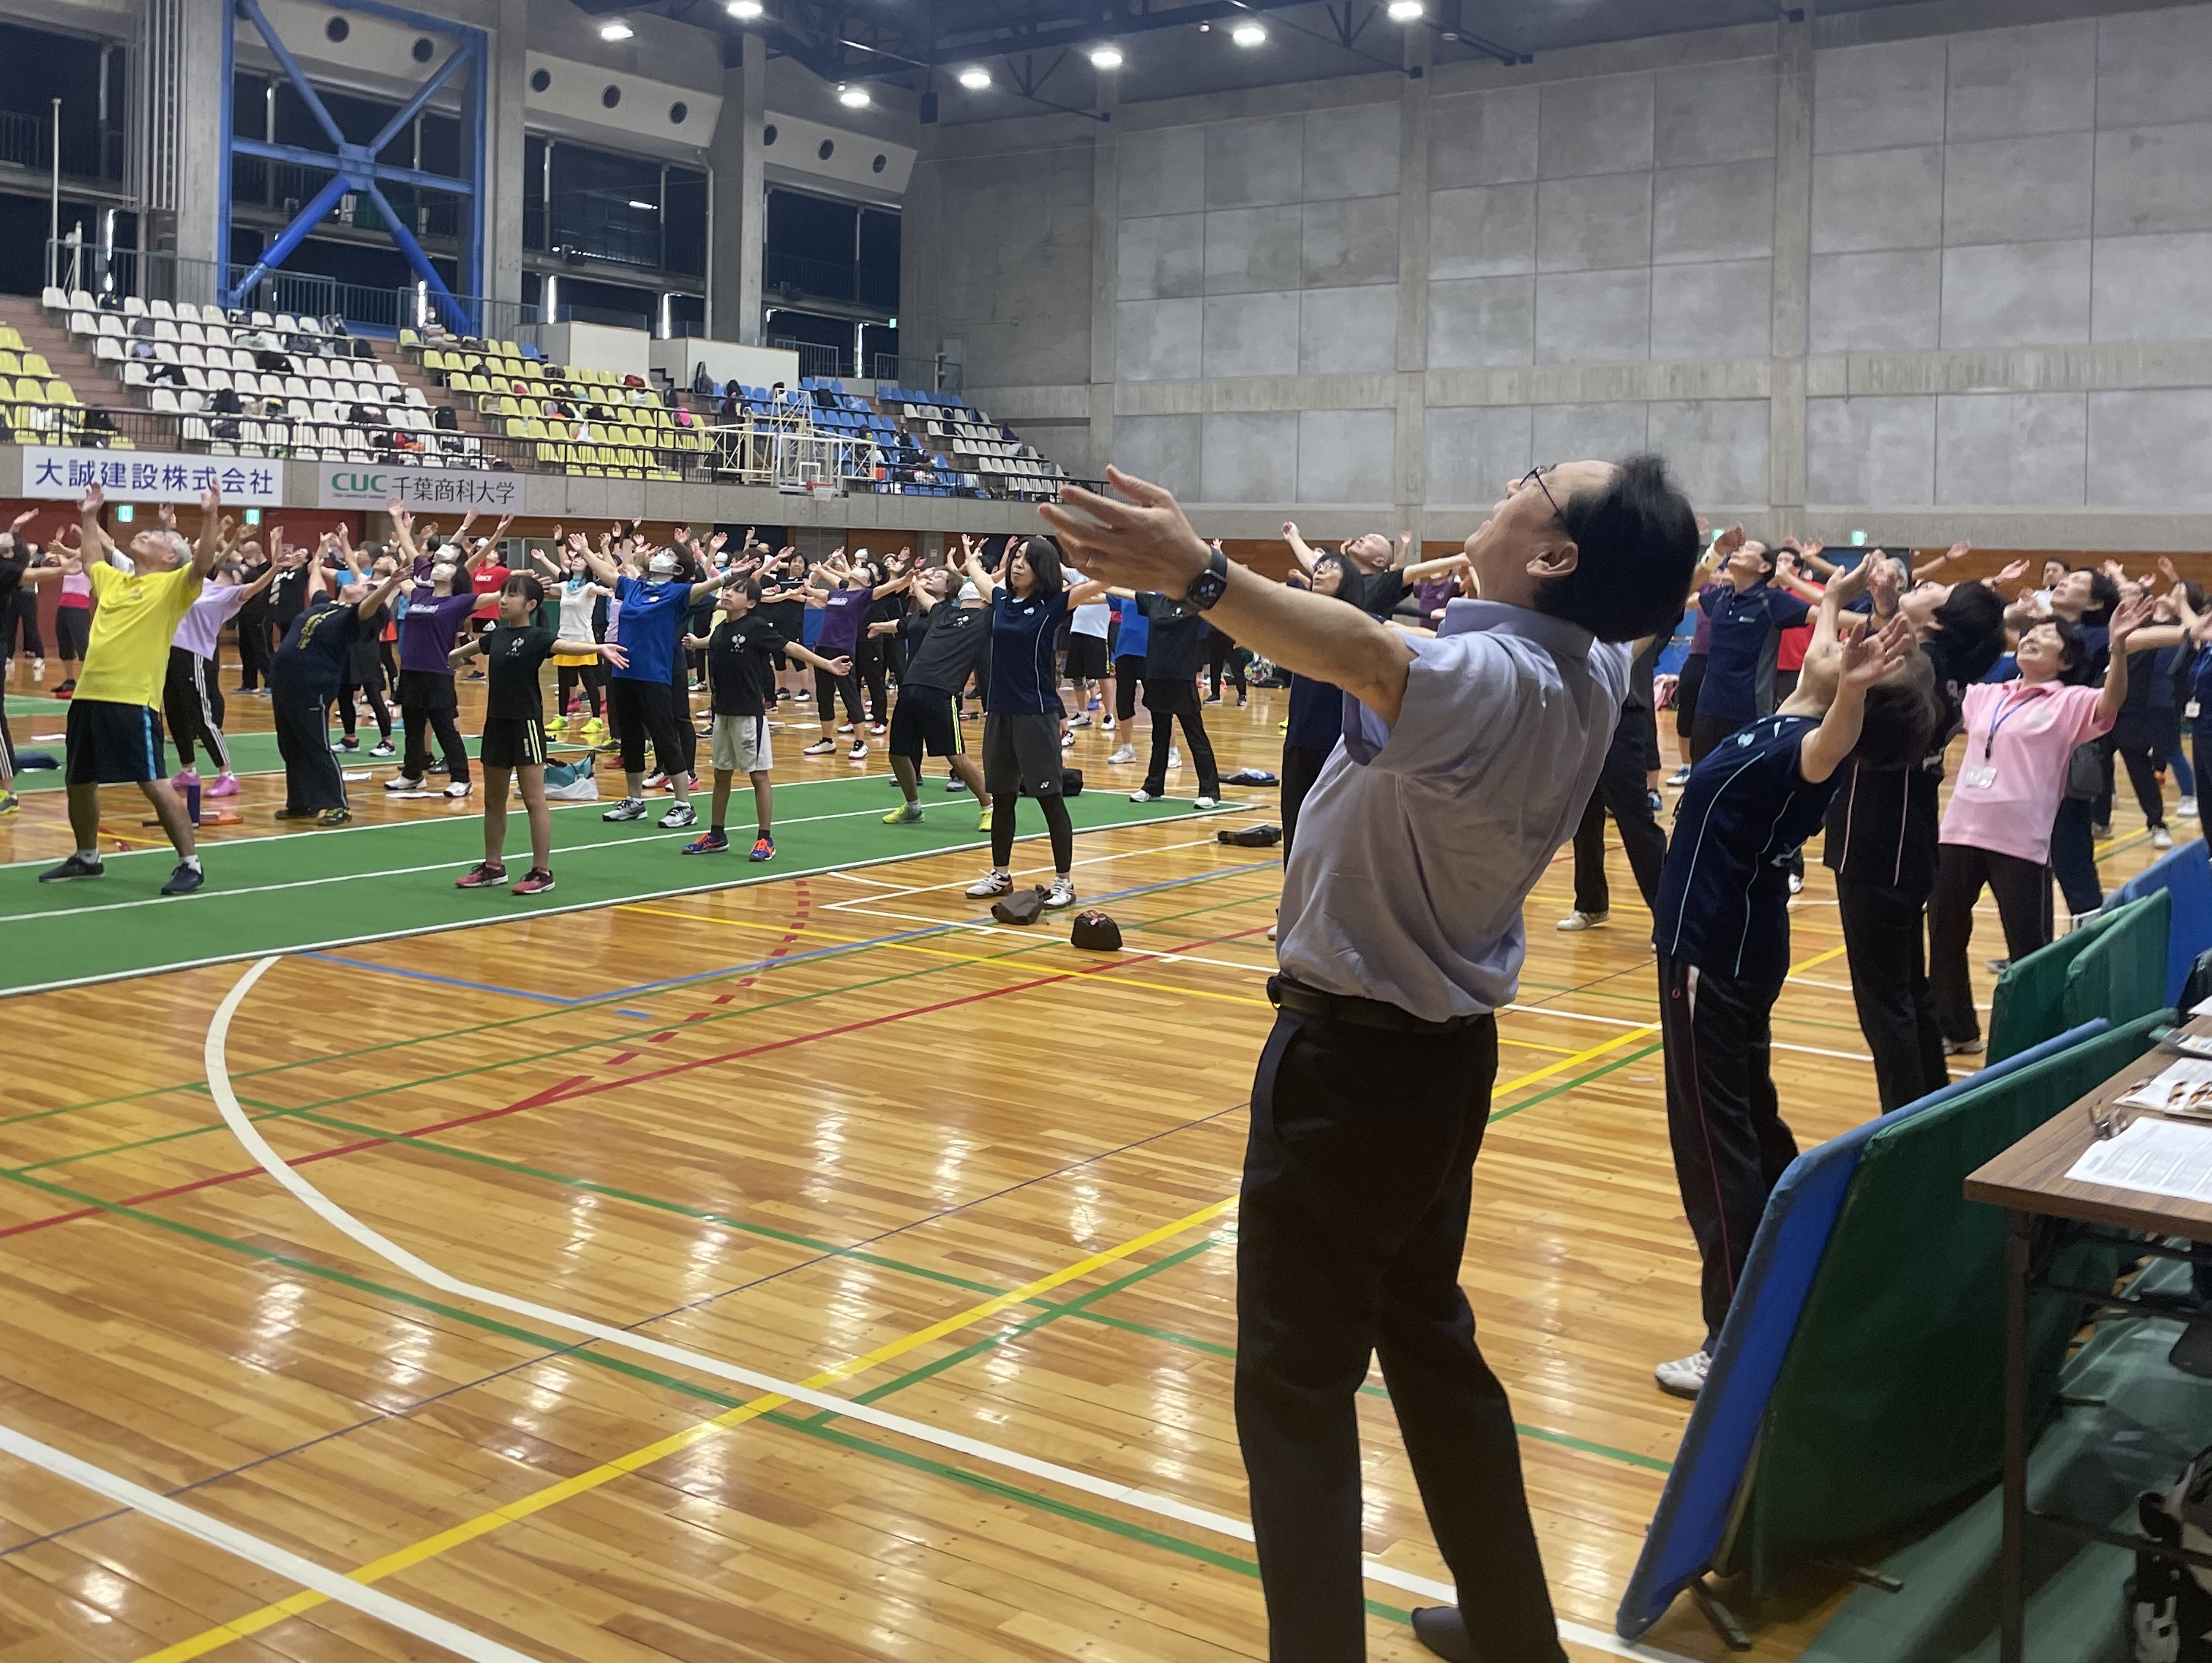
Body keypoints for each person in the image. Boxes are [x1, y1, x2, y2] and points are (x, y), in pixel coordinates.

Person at [1043, 456, 1701, 1663]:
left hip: (1348, 1068)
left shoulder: (1487, 678)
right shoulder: (1592, 664)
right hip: (1444, 1065)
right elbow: (1426, 629)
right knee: (1429, 1347)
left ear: (1554, 558)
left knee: (1292, 1392)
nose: (1509, 482)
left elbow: (1365, 653)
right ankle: (1513, 1630)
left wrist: (1197, 571)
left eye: (1535, 482)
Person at [1651, 563, 1938, 1400]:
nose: (1833, 646)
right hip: (1729, 950)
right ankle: (1798, 1259)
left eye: (1854, 659)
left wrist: (1851, 693)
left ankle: (1732, 1339)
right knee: (1749, 1121)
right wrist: (1844, 593)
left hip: (1713, 954)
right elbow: (1824, 640)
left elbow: (1830, 740)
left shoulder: (1806, 753)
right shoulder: (1789, 718)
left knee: (1711, 1146)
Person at [1930, 594, 2159, 1055]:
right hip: (1958, 830)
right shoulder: (1986, 694)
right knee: (1945, 935)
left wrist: (2117, 647)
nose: (2033, 638)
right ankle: (1958, 1029)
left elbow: (2110, 700)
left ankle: (2034, 1045)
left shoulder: (2070, 702)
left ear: (2065, 660)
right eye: (2030, 634)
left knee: (2029, 952)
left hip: (2021, 842)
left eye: (2047, 636)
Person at [1822, 558, 2010, 1111]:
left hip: (1876, 844)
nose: (1923, 587)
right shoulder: (1943, 663)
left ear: (1937, 623)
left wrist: (1836, 601)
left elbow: (1831, 674)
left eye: (1935, 590)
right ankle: (1931, 1105)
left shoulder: (1920, 666)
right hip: (1911, 842)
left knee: (1884, 1004)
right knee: (1910, 989)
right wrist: (1885, 609)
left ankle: (1904, 1125)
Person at [37, 483, 228, 896]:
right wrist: (89, 515)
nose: (146, 533)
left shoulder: (175, 587)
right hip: (89, 696)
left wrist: (211, 516)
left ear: (169, 558)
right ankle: (87, 857)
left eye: (157, 537)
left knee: (153, 781)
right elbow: (90, 560)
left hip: (131, 700)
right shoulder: (116, 582)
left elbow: (203, 564)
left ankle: (190, 864)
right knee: (79, 780)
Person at [449, 574, 627, 893]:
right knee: (493, 800)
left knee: (534, 800)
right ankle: (493, 867)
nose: (503, 600)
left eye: (512, 595)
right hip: (496, 725)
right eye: (502, 594)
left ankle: (541, 872)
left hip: (526, 725)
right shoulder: (495, 637)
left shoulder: (537, 637)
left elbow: (565, 646)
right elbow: (461, 654)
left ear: (531, 604)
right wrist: (452, 660)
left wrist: (599, 647)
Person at [961, 535, 1109, 910]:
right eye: (1016, 556)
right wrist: (968, 556)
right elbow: (979, 579)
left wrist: (1113, 562)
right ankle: (1001, 875)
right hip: (1000, 713)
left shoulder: (1054, 604)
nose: (1018, 563)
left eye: (1027, 558)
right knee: (1003, 798)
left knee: (1049, 800)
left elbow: (1100, 582)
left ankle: (1064, 882)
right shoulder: (1002, 600)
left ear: (1042, 567)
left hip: (1037, 713)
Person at [576, 533, 741, 828]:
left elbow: (705, 586)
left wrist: (729, 577)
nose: (661, 554)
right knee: (631, 739)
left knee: (665, 738)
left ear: (678, 570)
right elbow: (610, 574)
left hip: (655, 676)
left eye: (670, 554)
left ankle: (683, 804)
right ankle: (635, 800)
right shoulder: (635, 587)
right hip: (624, 672)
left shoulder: (678, 593)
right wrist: (587, 552)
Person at [681, 575, 850, 859]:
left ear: (751, 602)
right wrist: (696, 643)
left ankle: (765, 839)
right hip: (722, 714)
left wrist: (826, 664)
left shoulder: (757, 627)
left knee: (758, 776)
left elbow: (790, 648)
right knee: (722, 775)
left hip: (749, 715)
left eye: (737, 591)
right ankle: (716, 834)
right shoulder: (722, 628)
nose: (728, 593)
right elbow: (713, 643)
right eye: (729, 588)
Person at [268, 547, 408, 827]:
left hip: (313, 686)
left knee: (316, 746)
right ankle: (301, 802)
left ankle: (337, 805)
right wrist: (316, 559)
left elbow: (369, 607)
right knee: (290, 745)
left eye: (364, 586)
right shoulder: (325, 606)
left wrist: (391, 584)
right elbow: (317, 584)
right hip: (285, 683)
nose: (358, 584)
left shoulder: (351, 619)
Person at [1557, 631, 1667, 931]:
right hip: (1584, 706)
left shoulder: (1643, 607)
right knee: (1584, 812)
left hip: (1625, 711)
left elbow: (1664, 619)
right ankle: (1591, 903)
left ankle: (1671, 918)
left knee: (1634, 817)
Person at [383, 507, 495, 798]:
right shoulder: (419, 594)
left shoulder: (460, 602)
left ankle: (461, 777)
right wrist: (397, 519)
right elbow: (409, 553)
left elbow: (497, 595)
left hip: (437, 672)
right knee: (412, 728)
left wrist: (525, 584)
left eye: (447, 565)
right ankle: (411, 774)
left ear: (456, 575)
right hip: (411, 670)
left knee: (445, 728)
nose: (439, 565)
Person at [880, 564, 991, 827]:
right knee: (897, 753)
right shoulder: (940, 614)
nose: (932, 578)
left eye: (938, 577)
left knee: (955, 755)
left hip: (941, 691)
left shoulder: (986, 619)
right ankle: (913, 807)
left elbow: (997, 590)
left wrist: (972, 565)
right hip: (911, 686)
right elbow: (922, 594)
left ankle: (989, 806)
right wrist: (915, 580)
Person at [166, 537, 277, 800]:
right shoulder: (195, 584)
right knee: (175, 713)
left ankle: (227, 775)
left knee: (202, 717)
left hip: (195, 657)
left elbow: (253, 588)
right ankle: (188, 770)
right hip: (169, 655)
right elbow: (199, 562)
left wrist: (275, 569)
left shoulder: (226, 595)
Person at [1687, 530, 1808, 763]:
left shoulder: (1772, 600)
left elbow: (1825, 614)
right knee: (1701, 780)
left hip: (1749, 713)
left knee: (1745, 787)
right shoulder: (1721, 597)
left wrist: (1872, 623)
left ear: (1764, 567)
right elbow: (1680, 596)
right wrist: (1714, 553)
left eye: (1749, 549)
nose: (1740, 550)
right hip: (1708, 708)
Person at [1125, 581, 1221, 810]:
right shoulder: (1155, 601)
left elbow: (1220, 591)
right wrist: (1097, 582)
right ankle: (1153, 787)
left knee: (1195, 735)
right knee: (1159, 735)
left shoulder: (1195, 605)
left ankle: (1210, 791)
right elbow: (1125, 592)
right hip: (1157, 676)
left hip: (1182, 677)